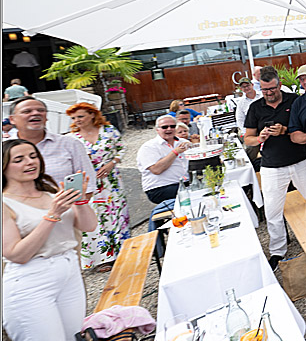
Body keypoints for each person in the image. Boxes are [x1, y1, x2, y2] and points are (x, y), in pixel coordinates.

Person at [3, 139, 98, 341]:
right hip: (31, 285)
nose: (29, 162)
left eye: (33, 156)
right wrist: (53, 214)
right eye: (18, 159)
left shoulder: (50, 190)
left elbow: (89, 226)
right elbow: (16, 253)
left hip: (68, 275)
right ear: (4, 166)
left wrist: (79, 201)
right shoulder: (5, 202)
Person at [246, 66, 306, 270]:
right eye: (264, 90)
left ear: (279, 84)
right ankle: (277, 251)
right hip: (272, 165)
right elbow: (248, 138)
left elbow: (305, 128)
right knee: (272, 210)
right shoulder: (256, 107)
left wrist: (284, 130)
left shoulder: (295, 101)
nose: (268, 94)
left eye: (272, 89)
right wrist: (260, 138)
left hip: (300, 159)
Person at [66, 102, 129, 272]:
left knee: (116, 214)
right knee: (95, 219)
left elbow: (121, 149)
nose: (77, 120)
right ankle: (102, 258)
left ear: (92, 115)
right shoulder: (71, 138)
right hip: (87, 184)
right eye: (73, 118)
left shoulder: (108, 131)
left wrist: (112, 163)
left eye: (80, 116)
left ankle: (122, 252)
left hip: (111, 182)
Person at [9, 97, 96, 190]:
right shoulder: (5, 148)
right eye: (27, 111)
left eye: (41, 110)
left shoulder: (70, 144)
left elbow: (88, 183)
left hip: (68, 203)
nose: (36, 113)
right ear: (12, 119)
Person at [137, 115, 190, 204]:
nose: (169, 129)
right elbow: (156, 170)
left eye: (172, 126)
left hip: (185, 182)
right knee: (191, 192)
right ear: (157, 129)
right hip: (160, 187)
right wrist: (175, 153)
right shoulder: (149, 147)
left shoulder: (183, 142)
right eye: (164, 127)